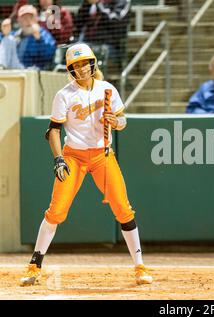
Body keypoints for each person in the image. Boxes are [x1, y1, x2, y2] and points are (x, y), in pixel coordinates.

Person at [19, 43, 153, 287]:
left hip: (102, 155)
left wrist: (118, 121)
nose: (81, 69)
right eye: (75, 65)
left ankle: (139, 266)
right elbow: (53, 132)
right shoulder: (64, 95)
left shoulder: (107, 89)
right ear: (70, 69)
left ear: (93, 63)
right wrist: (58, 158)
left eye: (84, 63)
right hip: (74, 156)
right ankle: (34, 265)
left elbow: (122, 120)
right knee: (56, 211)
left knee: (123, 209)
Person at [74, 0, 131, 67]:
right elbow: (78, 24)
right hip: (88, 43)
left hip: (110, 46)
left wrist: (99, 5)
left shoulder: (123, 2)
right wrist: (86, 4)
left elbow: (115, 21)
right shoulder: (93, 4)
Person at [13, 4, 56, 69]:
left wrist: (39, 39)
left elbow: (49, 56)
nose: (27, 21)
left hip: (36, 73)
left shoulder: (43, 34)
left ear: (36, 19)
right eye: (24, 18)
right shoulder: (14, 35)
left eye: (30, 17)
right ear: (19, 20)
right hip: (14, 72)